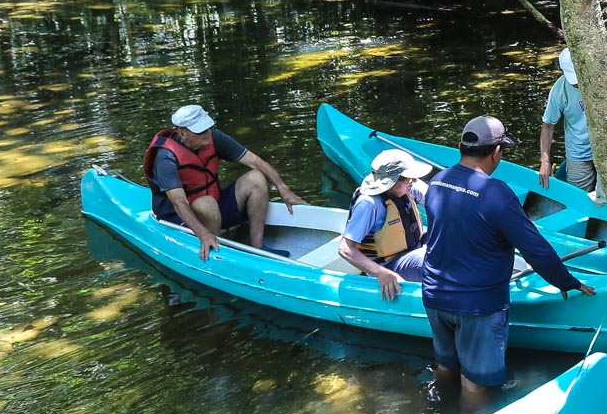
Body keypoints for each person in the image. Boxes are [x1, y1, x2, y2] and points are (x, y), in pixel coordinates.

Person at [420, 116, 595, 409]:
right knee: (474, 382)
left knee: (447, 365)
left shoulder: (437, 182)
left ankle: (434, 408)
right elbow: (535, 248)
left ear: (460, 147)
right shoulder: (495, 193)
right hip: (477, 305)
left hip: (434, 295)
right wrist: (567, 281)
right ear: (496, 152)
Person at [145, 104, 306, 261]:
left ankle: (258, 246)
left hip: (214, 209)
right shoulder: (165, 158)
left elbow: (255, 162)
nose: (207, 133)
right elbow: (179, 203)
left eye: (207, 127)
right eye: (200, 131)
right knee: (206, 203)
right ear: (182, 133)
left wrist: (282, 188)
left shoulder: (213, 138)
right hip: (180, 221)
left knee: (256, 177)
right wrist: (203, 234)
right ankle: (217, 251)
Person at [338, 147, 435, 299]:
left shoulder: (408, 187)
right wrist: (380, 273)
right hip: (388, 265)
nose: (413, 182)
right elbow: (345, 249)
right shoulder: (368, 204)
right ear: (391, 182)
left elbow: (442, 202)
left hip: (412, 249)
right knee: (431, 256)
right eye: (408, 178)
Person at [538, 47, 607, 191]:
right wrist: (545, 161)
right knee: (579, 199)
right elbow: (548, 124)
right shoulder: (560, 88)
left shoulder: (606, 80)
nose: (576, 84)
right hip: (578, 154)